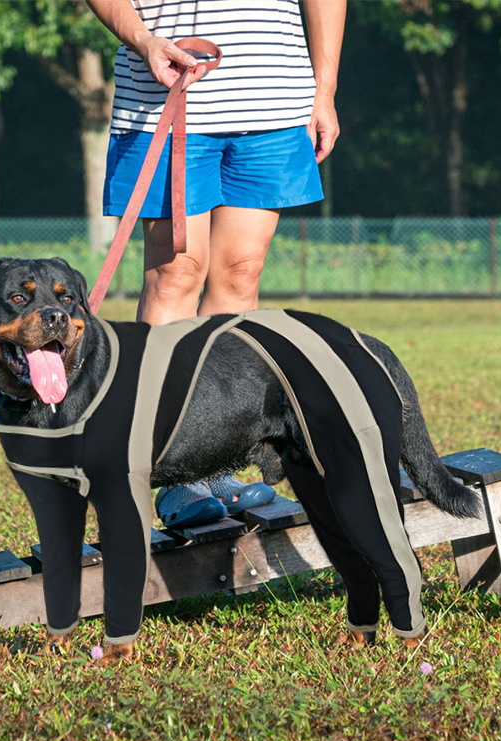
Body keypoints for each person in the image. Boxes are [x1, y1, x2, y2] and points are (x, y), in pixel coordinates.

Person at [87, 0, 346, 528]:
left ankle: (214, 460)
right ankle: (170, 469)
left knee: (240, 274)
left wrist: (325, 90)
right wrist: (145, 40)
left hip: (273, 101)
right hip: (166, 95)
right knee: (176, 273)